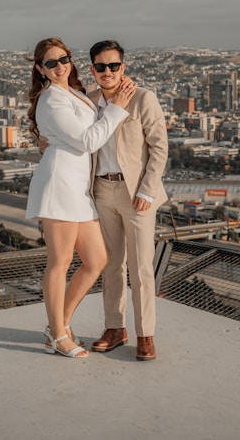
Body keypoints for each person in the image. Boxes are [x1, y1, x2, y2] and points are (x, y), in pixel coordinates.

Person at [24, 37, 136, 358]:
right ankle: (58, 335)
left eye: (64, 59)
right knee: (59, 263)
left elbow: (73, 135)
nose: (60, 66)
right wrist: (117, 109)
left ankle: (60, 325)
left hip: (77, 188)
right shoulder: (51, 99)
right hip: (60, 184)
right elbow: (87, 141)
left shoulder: (73, 93)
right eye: (51, 63)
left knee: (96, 260)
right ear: (40, 69)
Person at [86, 40, 169, 361]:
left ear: (124, 67)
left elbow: (159, 148)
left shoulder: (143, 98)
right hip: (101, 191)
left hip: (136, 194)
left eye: (114, 66)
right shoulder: (89, 102)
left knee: (141, 267)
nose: (108, 72)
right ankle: (114, 328)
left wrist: (147, 190)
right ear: (92, 69)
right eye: (101, 66)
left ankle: (145, 333)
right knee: (111, 265)